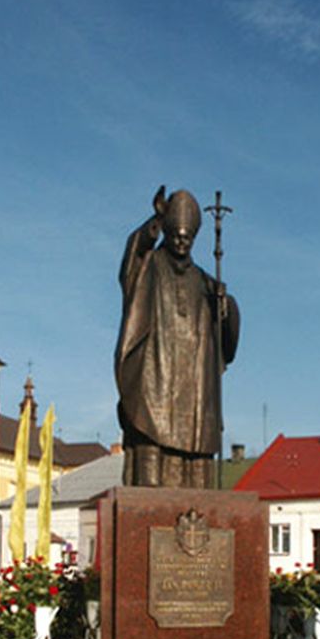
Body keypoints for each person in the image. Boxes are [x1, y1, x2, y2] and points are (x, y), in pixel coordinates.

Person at [115, 186, 240, 488]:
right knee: (150, 442)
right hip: (156, 377)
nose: (182, 242)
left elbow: (226, 336)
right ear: (168, 232)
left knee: (197, 456)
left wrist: (224, 307)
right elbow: (133, 257)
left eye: (188, 238)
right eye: (177, 235)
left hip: (194, 387)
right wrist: (156, 220)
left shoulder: (205, 282)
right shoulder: (149, 266)